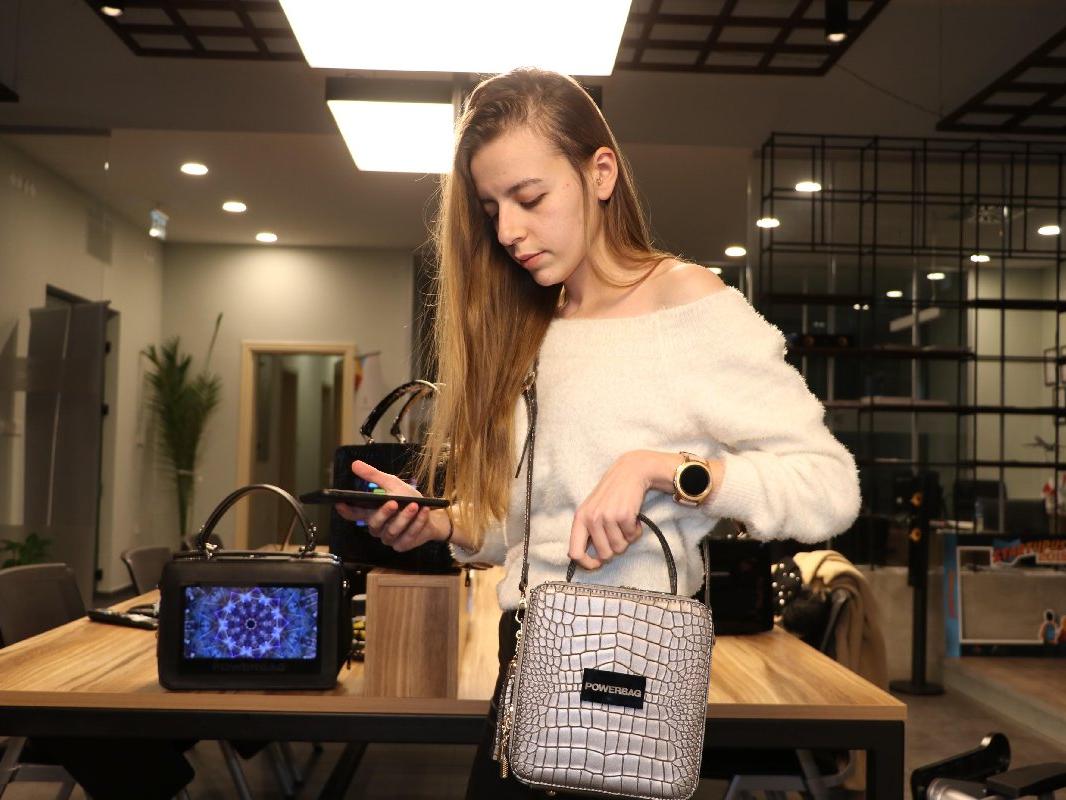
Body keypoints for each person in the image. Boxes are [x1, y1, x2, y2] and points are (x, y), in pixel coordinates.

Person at [336, 68, 861, 798]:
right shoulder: (534, 325)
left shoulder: (686, 303)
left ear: (601, 173)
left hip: (625, 668)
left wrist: (662, 469)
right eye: (492, 208)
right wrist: (441, 525)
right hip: (525, 663)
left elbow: (829, 488)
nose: (508, 230)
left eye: (529, 198)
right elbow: (534, 532)